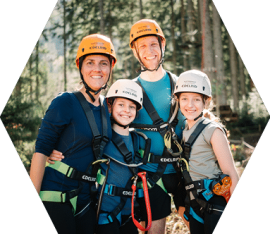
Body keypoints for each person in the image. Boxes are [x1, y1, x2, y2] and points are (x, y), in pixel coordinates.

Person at [29, 34, 117, 234]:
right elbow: (41, 150)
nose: (97, 69)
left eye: (104, 63)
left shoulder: (107, 107)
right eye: (90, 63)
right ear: (80, 67)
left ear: (111, 68)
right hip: (56, 193)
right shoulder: (65, 101)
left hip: (86, 196)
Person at [129, 19, 187, 234]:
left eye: (154, 44)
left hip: (183, 172)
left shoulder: (180, 83)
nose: (149, 51)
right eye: (142, 46)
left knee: (201, 224)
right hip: (150, 175)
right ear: (135, 52)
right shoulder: (130, 90)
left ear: (163, 45)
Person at [173, 70, 239, 234]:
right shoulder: (185, 130)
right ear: (178, 101)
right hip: (195, 203)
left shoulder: (213, 131)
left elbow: (231, 173)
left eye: (196, 99)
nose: (190, 104)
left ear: (206, 102)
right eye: (185, 99)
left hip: (215, 203)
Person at [95, 79, 145, 234]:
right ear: (110, 106)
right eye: (121, 104)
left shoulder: (137, 140)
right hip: (105, 213)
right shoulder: (102, 136)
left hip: (129, 213)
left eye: (132, 106)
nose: (126, 110)